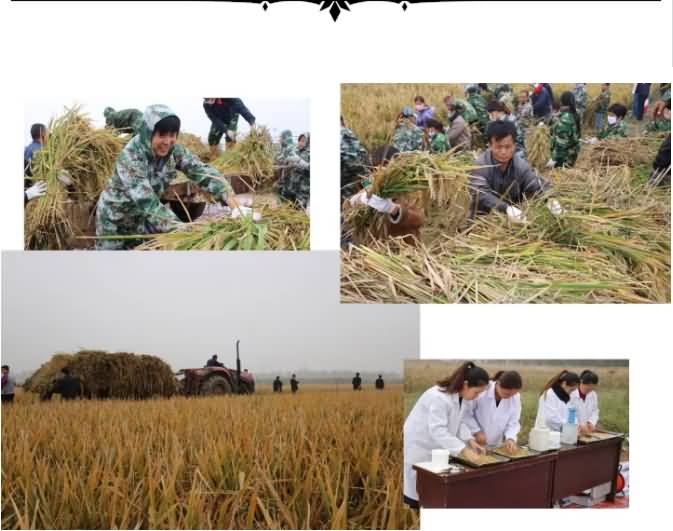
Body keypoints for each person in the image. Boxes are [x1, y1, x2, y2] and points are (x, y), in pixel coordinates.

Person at [95, 104, 241, 250]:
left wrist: (233, 202)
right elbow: (147, 203)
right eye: (162, 135)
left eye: (172, 135)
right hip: (115, 222)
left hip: (141, 221)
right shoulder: (131, 157)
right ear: (148, 133)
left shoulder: (174, 152)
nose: (167, 142)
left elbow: (202, 171)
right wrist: (185, 231)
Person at [403, 361, 490, 508]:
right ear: (465, 384)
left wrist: (470, 440)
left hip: (437, 444)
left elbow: (458, 421)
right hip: (421, 444)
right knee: (417, 487)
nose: (477, 396)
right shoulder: (439, 397)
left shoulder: (462, 397)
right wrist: (464, 450)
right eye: (476, 392)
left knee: (432, 485)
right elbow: (438, 430)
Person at [468, 120, 559, 223]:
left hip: (513, 221)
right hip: (482, 221)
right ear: (489, 145)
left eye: (508, 147)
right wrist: (506, 208)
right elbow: (480, 194)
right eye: (498, 147)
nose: (503, 152)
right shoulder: (480, 165)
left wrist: (550, 199)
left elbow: (534, 183)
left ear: (514, 145)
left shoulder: (520, 166)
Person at [462, 370, 522, 452]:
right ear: (498, 384)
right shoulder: (482, 390)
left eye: (513, 394)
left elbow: (513, 422)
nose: (510, 397)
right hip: (472, 441)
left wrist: (510, 438)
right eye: (507, 394)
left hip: (495, 444)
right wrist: (476, 432)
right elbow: (466, 414)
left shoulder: (515, 397)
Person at [275, 130, 310, 208]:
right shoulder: (295, 151)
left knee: (299, 209)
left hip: (303, 189)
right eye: (300, 140)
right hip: (292, 187)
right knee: (288, 209)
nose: (301, 143)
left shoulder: (309, 154)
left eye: (303, 141)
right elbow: (287, 163)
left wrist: (300, 161)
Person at [340, 116, 370, 201]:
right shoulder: (345, 131)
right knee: (367, 182)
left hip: (343, 169)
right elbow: (361, 150)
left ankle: (349, 204)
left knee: (346, 192)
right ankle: (371, 197)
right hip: (354, 164)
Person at [549, 91, 581, 168]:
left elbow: (561, 143)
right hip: (571, 153)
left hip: (564, 157)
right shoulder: (574, 113)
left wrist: (554, 159)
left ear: (562, 102)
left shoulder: (565, 120)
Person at [570, 370, 599, 435]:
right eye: (588, 385)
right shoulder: (571, 394)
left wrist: (591, 422)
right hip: (574, 430)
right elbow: (569, 414)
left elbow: (595, 411)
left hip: (587, 431)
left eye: (593, 386)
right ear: (581, 382)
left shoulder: (593, 394)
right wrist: (579, 425)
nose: (590, 388)